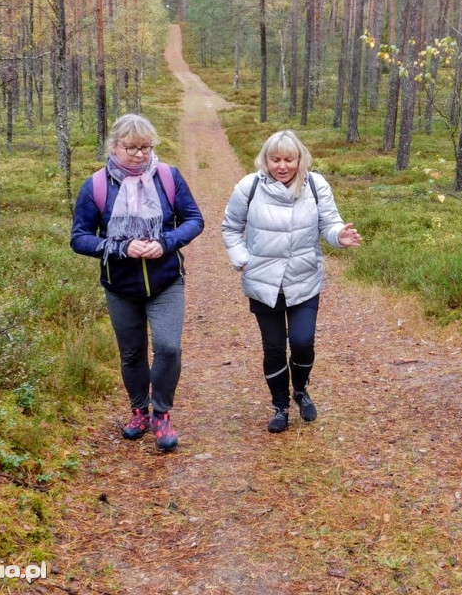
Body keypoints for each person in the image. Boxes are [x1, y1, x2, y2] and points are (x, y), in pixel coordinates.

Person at [71, 114, 204, 451]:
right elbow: (80, 238)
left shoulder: (168, 177)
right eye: (132, 148)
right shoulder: (97, 186)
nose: (140, 155)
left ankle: (161, 413)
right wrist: (119, 247)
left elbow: (194, 220)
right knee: (132, 354)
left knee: (168, 347)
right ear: (114, 146)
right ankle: (138, 411)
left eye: (146, 147)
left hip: (166, 281)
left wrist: (166, 242)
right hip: (120, 286)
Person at [222, 130, 362, 434]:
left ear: (300, 160)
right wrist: (242, 258)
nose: (282, 165)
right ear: (265, 159)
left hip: (304, 278)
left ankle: (300, 390)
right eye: (275, 159)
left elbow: (330, 222)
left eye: (289, 159)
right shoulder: (248, 187)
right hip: (263, 282)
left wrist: (339, 236)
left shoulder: (315, 184)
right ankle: (280, 406)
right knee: (273, 347)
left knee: (301, 342)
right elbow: (231, 227)